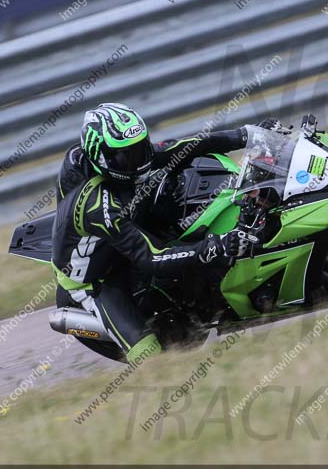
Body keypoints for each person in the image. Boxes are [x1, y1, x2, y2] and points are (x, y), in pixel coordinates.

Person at [51, 103, 278, 362]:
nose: (139, 160)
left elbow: (184, 147)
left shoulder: (120, 163)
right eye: (128, 155)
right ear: (103, 158)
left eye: (140, 148)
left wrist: (245, 135)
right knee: (151, 357)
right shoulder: (95, 203)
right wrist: (215, 246)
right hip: (97, 280)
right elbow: (152, 257)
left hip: (120, 239)